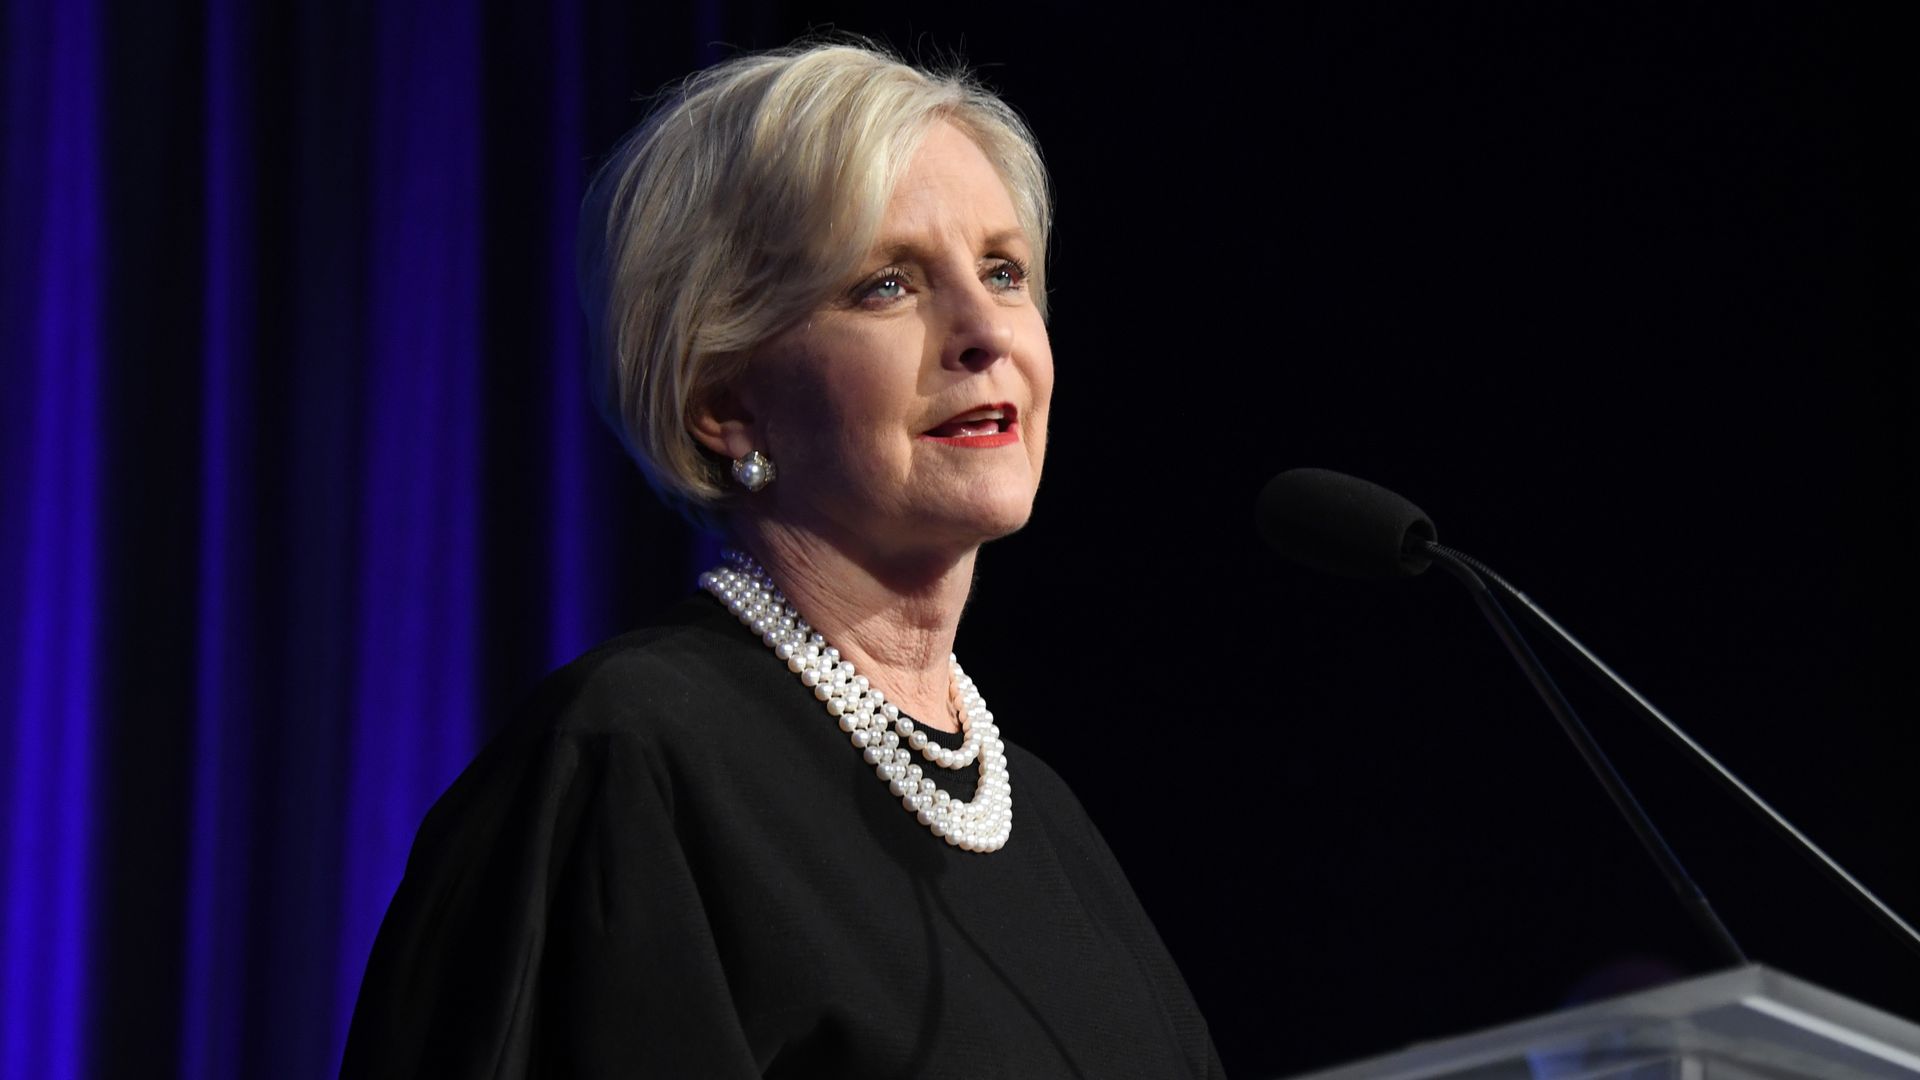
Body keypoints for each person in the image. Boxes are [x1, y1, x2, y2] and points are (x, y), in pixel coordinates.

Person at [340, 40, 1225, 1078]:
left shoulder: (1047, 826)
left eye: (1003, 271)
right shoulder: (633, 763)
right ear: (722, 401)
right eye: (888, 284)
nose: (986, 330)